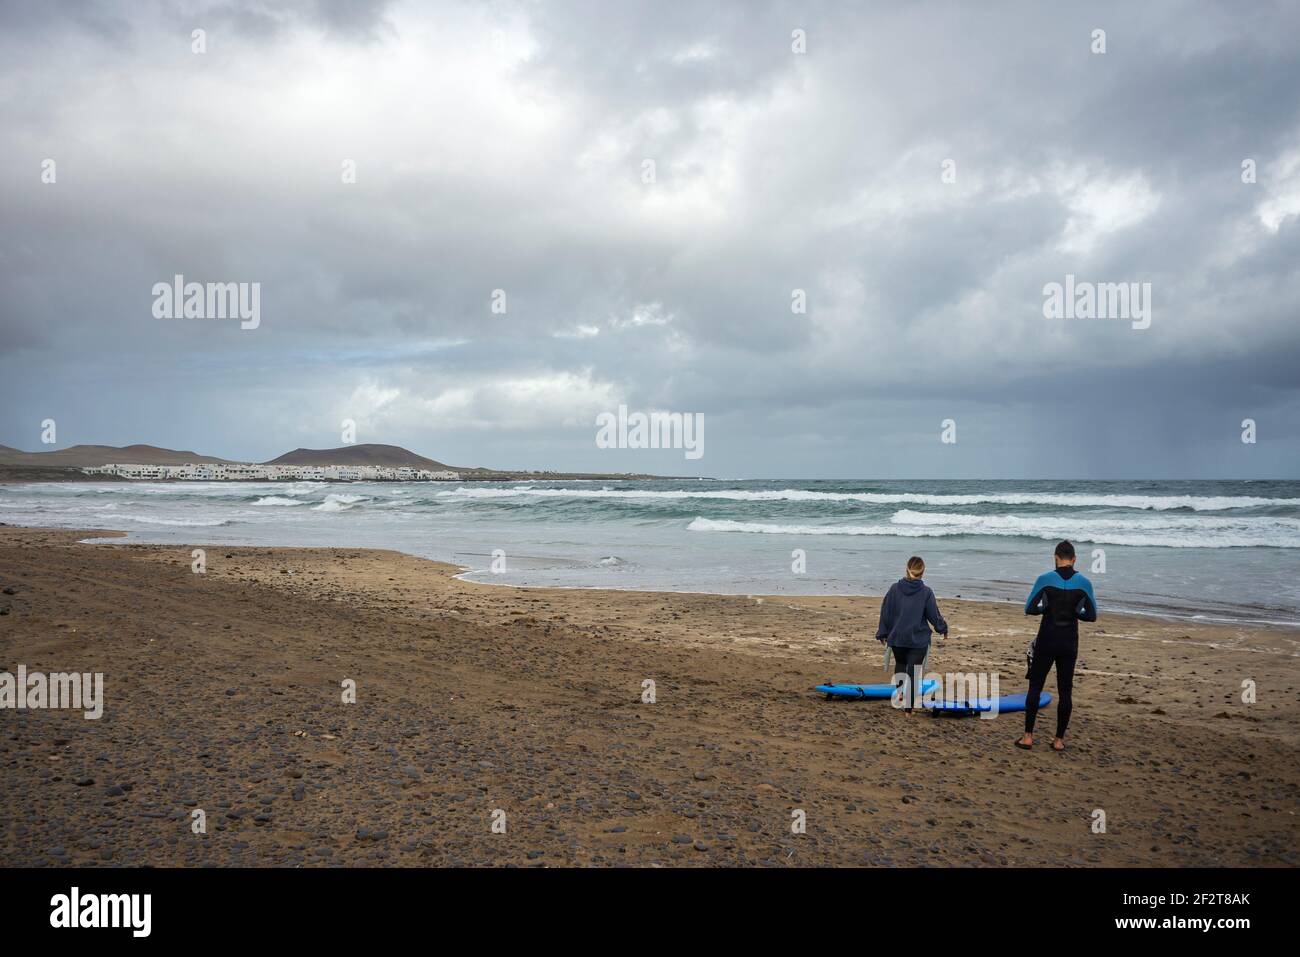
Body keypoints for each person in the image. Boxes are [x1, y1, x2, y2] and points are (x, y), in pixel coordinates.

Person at [1017, 540, 1097, 752]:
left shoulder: (1044, 579)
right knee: (1065, 690)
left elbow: (1030, 608)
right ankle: (1059, 740)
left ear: (1055, 557)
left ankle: (1027, 737)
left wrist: (1046, 608)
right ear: (1074, 559)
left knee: (1035, 686)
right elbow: (1091, 615)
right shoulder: (1084, 582)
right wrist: (1075, 612)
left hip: (1046, 639)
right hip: (1068, 642)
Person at [875, 556, 949, 713]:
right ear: (923, 572)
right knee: (914, 673)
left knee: (901, 665)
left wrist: (883, 633)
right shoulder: (926, 592)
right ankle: (909, 710)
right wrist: (942, 628)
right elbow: (933, 615)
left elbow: (885, 612)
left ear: (907, 569)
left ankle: (900, 693)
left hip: (898, 638)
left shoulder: (894, 589)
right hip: (918, 639)